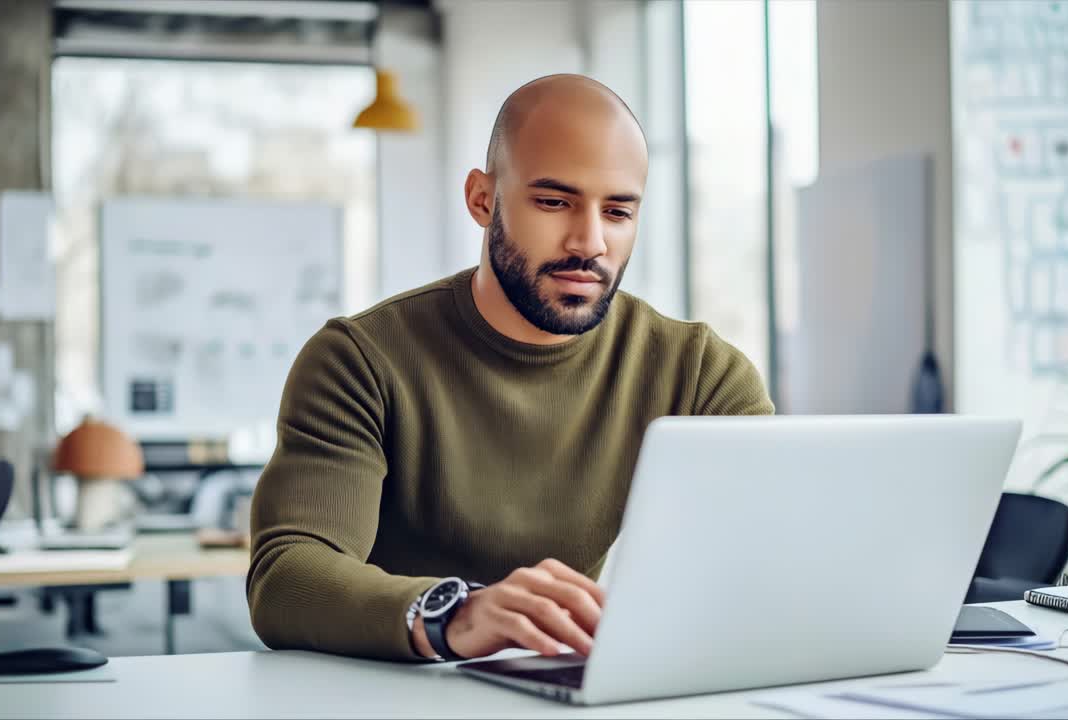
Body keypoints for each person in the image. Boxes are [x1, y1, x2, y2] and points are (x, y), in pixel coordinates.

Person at [247, 74, 773, 663]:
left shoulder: (703, 374)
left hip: (568, 689)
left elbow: (773, 558)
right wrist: (457, 614)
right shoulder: (359, 359)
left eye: (618, 211)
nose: (590, 242)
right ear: (481, 199)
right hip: (391, 695)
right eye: (554, 201)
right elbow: (285, 577)